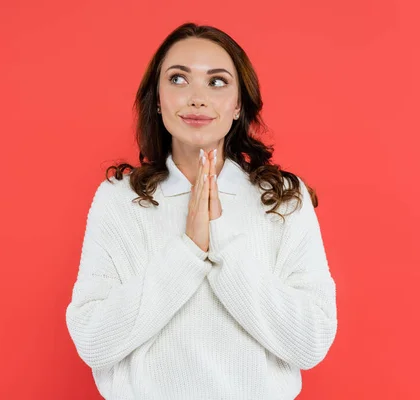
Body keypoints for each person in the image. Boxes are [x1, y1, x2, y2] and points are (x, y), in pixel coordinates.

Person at [65, 22, 337, 400]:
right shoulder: (119, 200)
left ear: (239, 103)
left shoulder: (282, 200)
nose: (197, 98)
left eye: (217, 81)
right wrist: (187, 251)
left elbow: (310, 342)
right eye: (178, 79)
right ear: (157, 98)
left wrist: (222, 247)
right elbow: (93, 341)